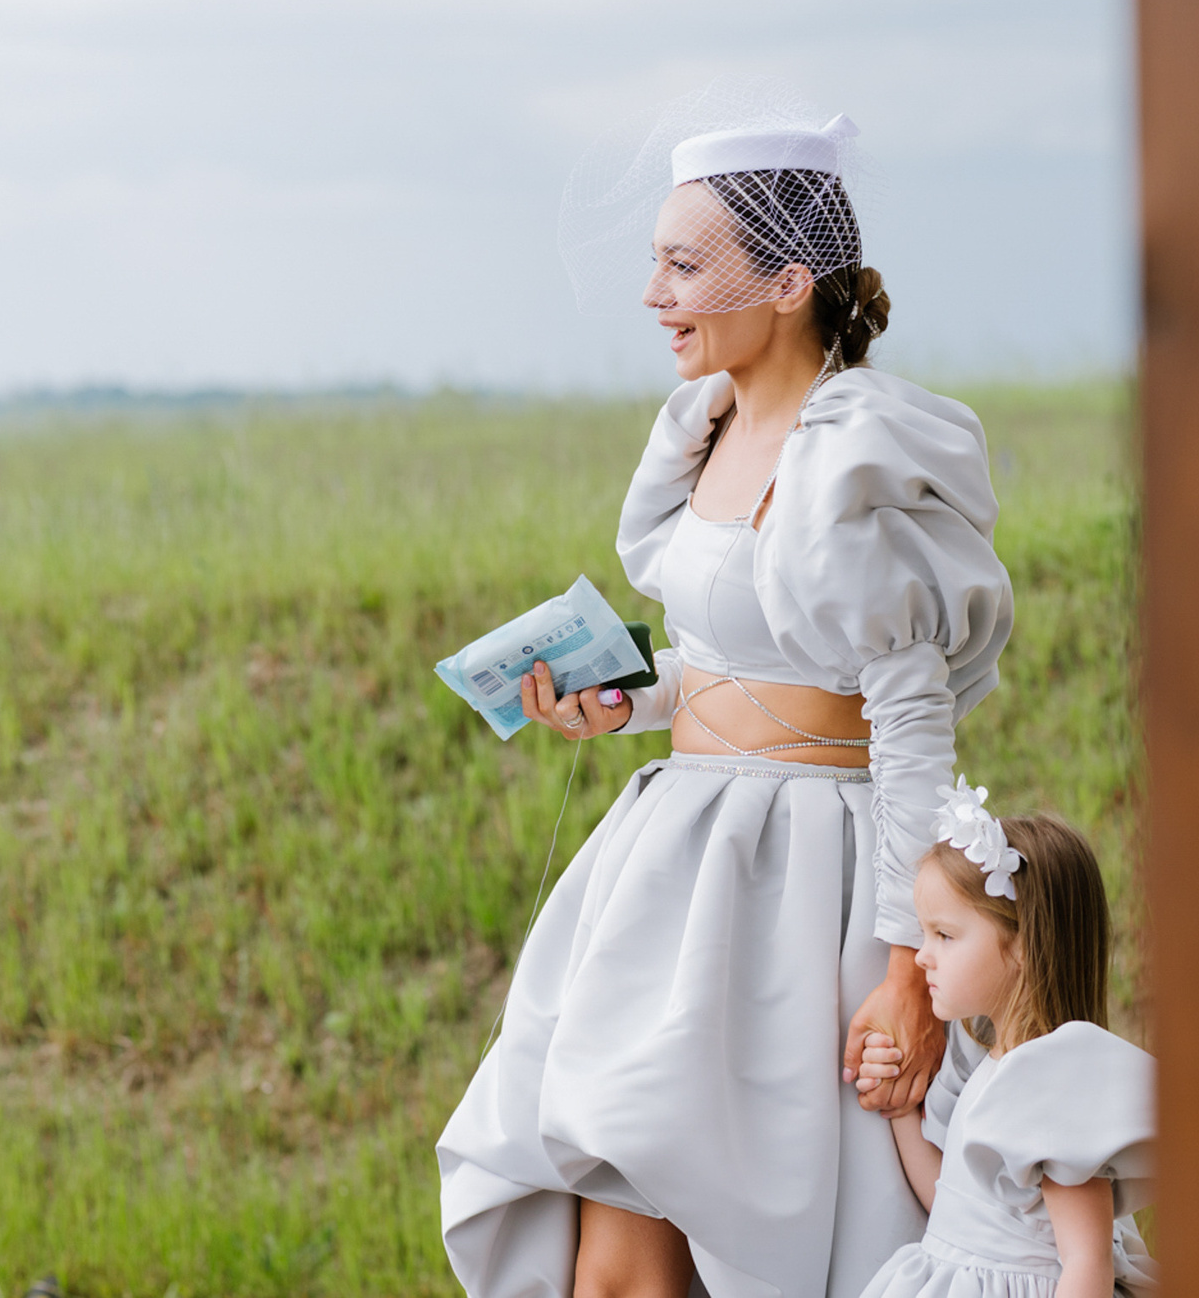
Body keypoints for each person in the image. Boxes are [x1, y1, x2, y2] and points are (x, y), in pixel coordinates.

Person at [437, 111, 1015, 1298]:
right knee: (616, 1260)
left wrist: (904, 975)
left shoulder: (861, 455)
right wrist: (629, 705)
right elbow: (725, 658)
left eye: (682, 265)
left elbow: (908, 732)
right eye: (653, 260)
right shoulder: (699, 429)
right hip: (669, 870)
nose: (651, 292)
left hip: (811, 893)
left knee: (750, 1247)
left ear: (791, 281)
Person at [849, 782, 1156, 1298]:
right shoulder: (995, 1067)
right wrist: (900, 1111)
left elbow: (1087, 1264)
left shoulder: (1055, 1084)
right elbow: (954, 1207)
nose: (922, 956)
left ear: (1023, 948)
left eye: (944, 936)